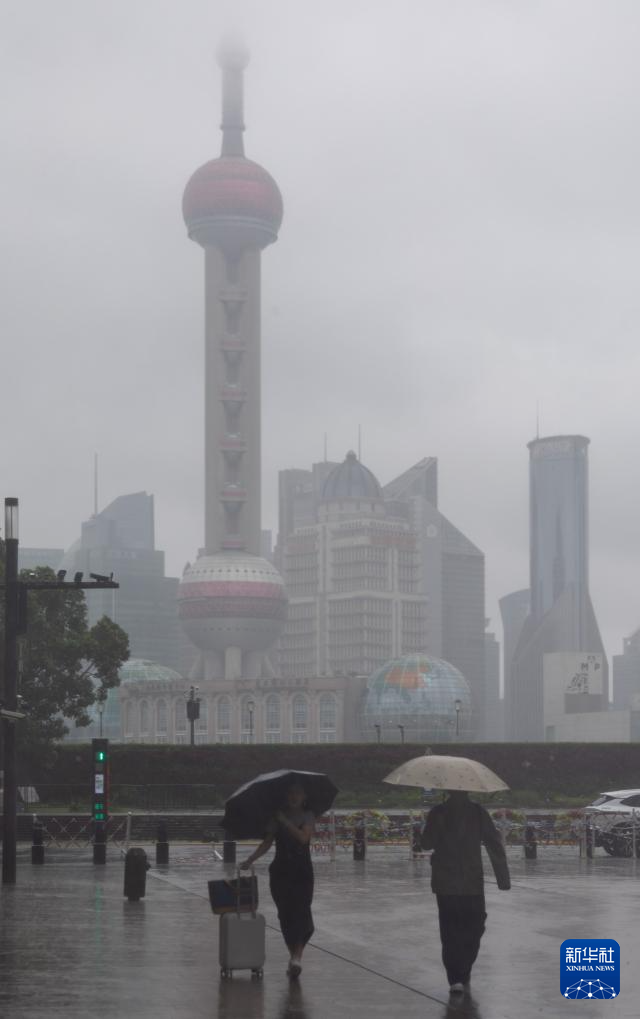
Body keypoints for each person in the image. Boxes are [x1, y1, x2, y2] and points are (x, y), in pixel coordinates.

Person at [420, 789, 510, 995]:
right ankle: (457, 976)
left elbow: (493, 842)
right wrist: (503, 879)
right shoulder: (443, 813)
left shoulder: (474, 812)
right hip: (453, 880)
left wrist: (503, 878)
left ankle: (460, 971)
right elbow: (427, 843)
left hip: (465, 880)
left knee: (463, 927)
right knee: (463, 927)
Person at [240, 782, 315, 979]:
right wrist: (250, 860)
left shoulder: (308, 815)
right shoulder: (276, 817)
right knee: (285, 914)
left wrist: (285, 821)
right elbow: (267, 843)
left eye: (298, 793)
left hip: (302, 871)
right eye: (290, 793)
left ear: (304, 797)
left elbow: (303, 838)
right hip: (281, 871)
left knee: (302, 912)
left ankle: (297, 956)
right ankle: (294, 958)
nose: (294, 796)